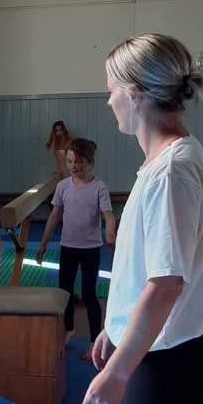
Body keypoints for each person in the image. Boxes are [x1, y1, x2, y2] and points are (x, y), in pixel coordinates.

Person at [83, 34, 203, 404]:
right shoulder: (166, 163)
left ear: (135, 94)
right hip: (162, 350)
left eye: (112, 89)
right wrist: (115, 328)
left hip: (170, 362)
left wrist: (117, 372)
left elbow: (165, 286)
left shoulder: (171, 173)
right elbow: (144, 269)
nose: (108, 100)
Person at [35, 138, 116, 358]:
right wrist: (43, 245)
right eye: (69, 161)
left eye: (78, 162)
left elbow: (108, 214)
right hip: (68, 246)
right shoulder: (62, 186)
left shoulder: (99, 187)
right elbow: (53, 217)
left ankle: (93, 341)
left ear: (90, 162)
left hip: (90, 248)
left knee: (89, 293)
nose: (73, 166)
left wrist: (110, 232)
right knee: (65, 291)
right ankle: (68, 329)